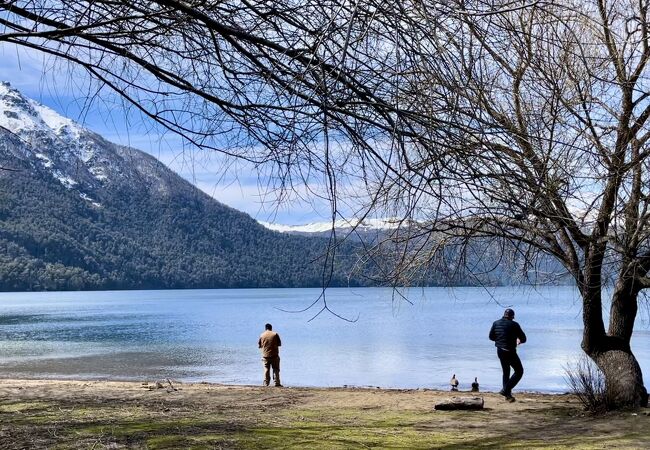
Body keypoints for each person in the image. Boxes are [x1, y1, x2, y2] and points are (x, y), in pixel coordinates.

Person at [489, 308, 526, 402]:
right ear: (512, 316)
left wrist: (500, 339)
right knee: (519, 371)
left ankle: (508, 396)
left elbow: (491, 337)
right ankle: (505, 390)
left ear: (504, 315)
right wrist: (519, 340)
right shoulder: (514, 325)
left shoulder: (495, 323)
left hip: (500, 351)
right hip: (510, 351)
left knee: (506, 371)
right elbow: (524, 338)